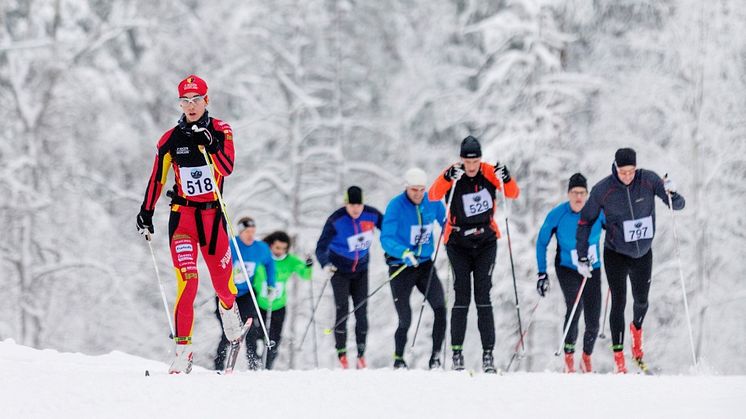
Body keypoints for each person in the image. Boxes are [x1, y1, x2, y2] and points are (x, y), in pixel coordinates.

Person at [136, 75, 243, 374]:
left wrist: (209, 145)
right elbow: (157, 177)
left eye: (197, 100)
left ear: (207, 101)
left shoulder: (221, 130)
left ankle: (228, 310)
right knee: (189, 280)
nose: (191, 106)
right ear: (180, 104)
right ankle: (183, 350)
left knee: (223, 285)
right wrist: (146, 211)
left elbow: (228, 168)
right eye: (185, 101)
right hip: (183, 218)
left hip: (213, 219)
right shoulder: (170, 139)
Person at [576, 147, 684, 373]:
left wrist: (674, 193)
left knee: (642, 301)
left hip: (643, 253)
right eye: (623, 172)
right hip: (615, 253)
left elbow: (677, 205)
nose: (627, 177)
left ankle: (636, 339)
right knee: (619, 302)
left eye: (631, 172)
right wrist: (583, 254)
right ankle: (619, 360)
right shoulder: (602, 190)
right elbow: (585, 221)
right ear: (615, 167)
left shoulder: (649, 180)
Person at [428, 135, 520, 373]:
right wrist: (446, 178)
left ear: (480, 159)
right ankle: (457, 353)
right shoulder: (454, 173)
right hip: (458, 242)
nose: (471, 167)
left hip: (486, 241)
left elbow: (512, 193)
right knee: (461, 296)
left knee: (483, 295)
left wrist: (506, 177)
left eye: (475, 162)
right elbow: (433, 195)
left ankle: (488, 354)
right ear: (461, 160)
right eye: (467, 162)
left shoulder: (489, 172)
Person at [536, 173, 605, 373]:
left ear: (588, 194)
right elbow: (542, 242)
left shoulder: (598, 212)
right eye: (574, 193)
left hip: (592, 268)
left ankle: (586, 357)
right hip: (567, 266)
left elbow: (615, 231)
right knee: (575, 305)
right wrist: (542, 273)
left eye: (582, 193)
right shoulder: (558, 214)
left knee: (593, 318)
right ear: (568, 194)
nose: (578, 198)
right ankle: (568, 357)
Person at [380, 168, 447, 370]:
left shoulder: (432, 201)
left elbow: (447, 224)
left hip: (425, 265)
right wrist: (402, 253)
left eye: (421, 190)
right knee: (405, 318)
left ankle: (435, 357)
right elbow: (386, 238)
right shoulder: (396, 206)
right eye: (413, 190)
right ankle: (399, 358)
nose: (418, 194)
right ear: (406, 188)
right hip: (401, 266)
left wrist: (453, 239)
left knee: (440, 308)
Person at [315, 186, 383, 369]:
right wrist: (325, 263)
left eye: (359, 205)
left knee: (362, 312)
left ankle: (361, 354)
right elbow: (320, 247)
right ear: (346, 204)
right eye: (352, 205)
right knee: (342, 310)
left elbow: (388, 230)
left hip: (361, 269)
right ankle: (342, 353)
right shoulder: (336, 220)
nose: (355, 209)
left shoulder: (371, 214)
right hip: (339, 270)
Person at [213, 216, 276, 371]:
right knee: (228, 331)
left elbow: (270, 264)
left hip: (247, 293)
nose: (250, 235)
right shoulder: (231, 245)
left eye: (253, 231)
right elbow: (217, 264)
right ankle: (219, 364)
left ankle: (253, 363)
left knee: (250, 329)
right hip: (227, 293)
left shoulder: (260, 248)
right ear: (240, 232)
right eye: (247, 232)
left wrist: (271, 285)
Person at [254, 231, 313, 369]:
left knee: (274, 341)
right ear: (270, 246)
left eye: (284, 248)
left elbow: (305, 274)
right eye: (277, 248)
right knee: (257, 335)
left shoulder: (290, 261)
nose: (280, 251)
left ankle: (267, 368)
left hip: (278, 305)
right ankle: (254, 362)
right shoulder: (262, 257)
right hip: (259, 305)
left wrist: (308, 266)